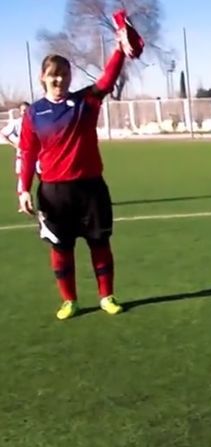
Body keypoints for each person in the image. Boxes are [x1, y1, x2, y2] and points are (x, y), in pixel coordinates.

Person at [15, 28, 139, 320]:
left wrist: (121, 48)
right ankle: (69, 300)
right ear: (42, 78)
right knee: (61, 249)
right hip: (54, 192)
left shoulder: (86, 102)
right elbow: (27, 153)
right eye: (54, 74)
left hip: (91, 189)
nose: (60, 80)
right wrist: (23, 189)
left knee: (99, 242)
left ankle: (107, 296)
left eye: (65, 74)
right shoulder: (34, 114)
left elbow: (107, 80)